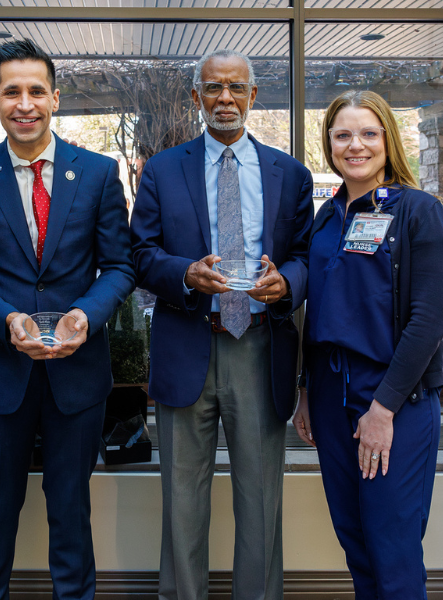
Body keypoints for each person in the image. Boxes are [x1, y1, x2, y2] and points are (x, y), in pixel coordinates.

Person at [0, 39, 135, 600]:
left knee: (71, 519)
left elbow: (120, 267)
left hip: (78, 380)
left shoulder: (98, 173)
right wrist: (7, 320)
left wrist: (85, 313)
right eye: (11, 92)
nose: (23, 103)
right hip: (1, 378)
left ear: (55, 98)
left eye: (35, 91)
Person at [130, 49, 313, 600]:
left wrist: (288, 283)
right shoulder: (163, 169)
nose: (225, 99)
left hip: (259, 347)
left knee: (260, 502)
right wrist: (185, 273)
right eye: (213, 88)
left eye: (236, 88)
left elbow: (307, 256)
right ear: (196, 98)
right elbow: (139, 254)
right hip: (187, 343)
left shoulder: (292, 173)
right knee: (182, 501)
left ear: (254, 96)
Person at [291, 90, 443, 599]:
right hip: (329, 395)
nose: (354, 145)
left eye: (368, 133)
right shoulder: (325, 218)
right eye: (342, 135)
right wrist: (305, 390)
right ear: (329, 144)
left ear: (388, 139)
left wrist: (383, 409)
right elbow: (319, 312)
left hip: (393, 397)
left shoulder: (419, 212)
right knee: (356, 543)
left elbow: (429, 321)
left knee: (393, 548)